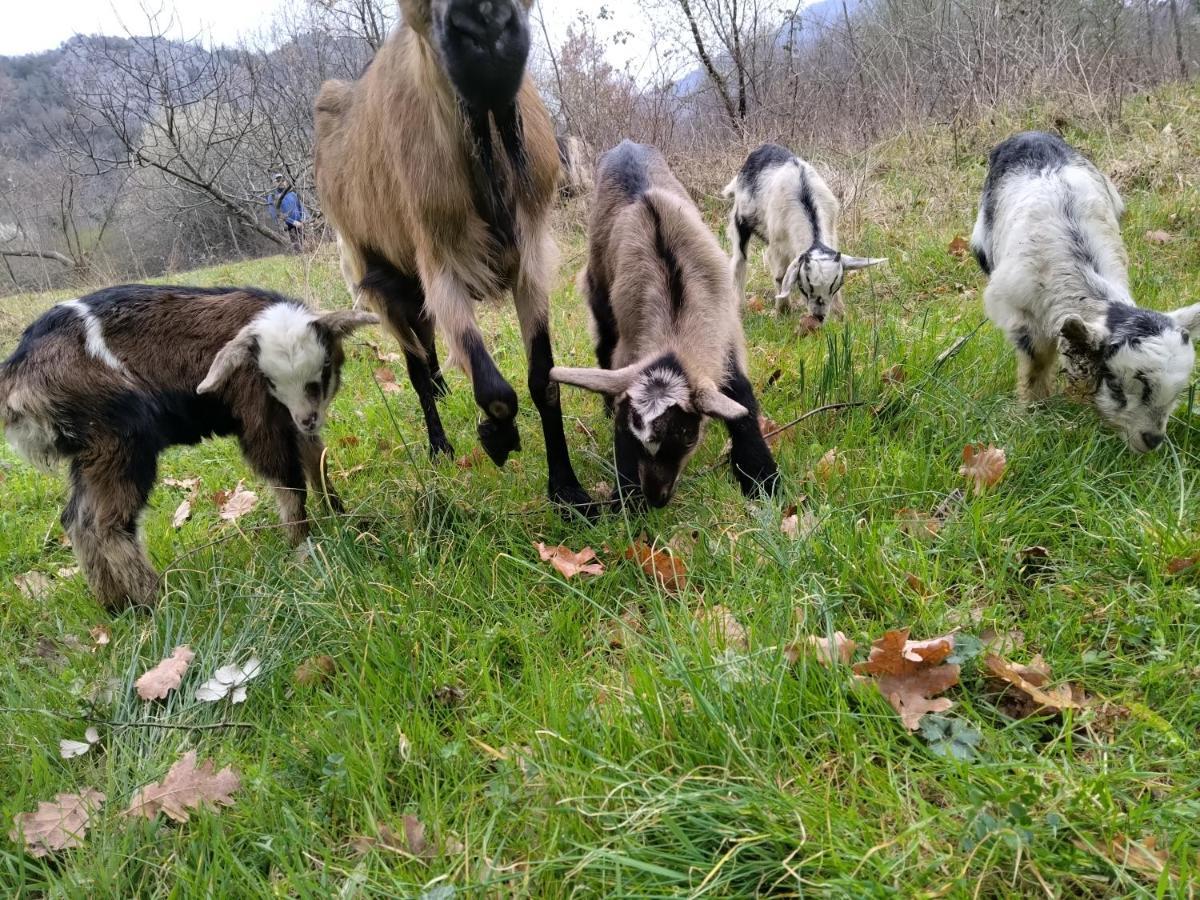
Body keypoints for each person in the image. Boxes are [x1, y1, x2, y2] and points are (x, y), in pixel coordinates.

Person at [267, 174, 306, 250]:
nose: (281, 182)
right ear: (274, 183)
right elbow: (275, 215)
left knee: (306, 248)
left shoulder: (293, 194)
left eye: (283, 180)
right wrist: (293, 222)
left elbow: (301, 208)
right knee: (296, 250)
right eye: (278, 181)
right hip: (287, 229)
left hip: (300, 226)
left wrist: (303, 219)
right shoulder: (272, 197)